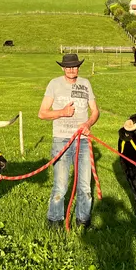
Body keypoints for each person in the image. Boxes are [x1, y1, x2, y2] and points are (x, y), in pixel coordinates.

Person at [38, 52, 99, 229]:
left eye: (75, 66)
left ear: (79, 67)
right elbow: (42, 113)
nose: (72, 69)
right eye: (68, 67)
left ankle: (83, 221)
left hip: (83, 140)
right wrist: (62, 113)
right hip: (61, 140)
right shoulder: (54, 84)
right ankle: (55, 221)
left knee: (85, 186)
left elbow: (95, 111)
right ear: (63, 68)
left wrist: (88, 123)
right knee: (61, 186)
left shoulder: (85, 84)